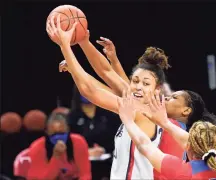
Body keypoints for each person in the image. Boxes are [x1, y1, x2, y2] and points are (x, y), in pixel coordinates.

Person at [47, 16, 184, 179]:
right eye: (135, 81)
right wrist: (84, 41)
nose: (138, 86)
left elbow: (90, 91)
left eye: (146, 84)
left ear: (157, 90)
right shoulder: (136, 102)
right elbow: (107, 72)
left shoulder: (143, 112)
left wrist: (65, 47)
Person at [116, 89, 216, 180]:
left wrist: (128, 121)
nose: (166, 98)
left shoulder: (184, 172)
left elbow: (144, 145)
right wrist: (165, 122)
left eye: (173, 97)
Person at [68, 85, 121, 180]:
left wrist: (104, 149)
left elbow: (118, 137)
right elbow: (69, 143)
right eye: (83, 91)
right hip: (82, 162)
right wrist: (86, 152)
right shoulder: (72, 117)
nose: (86, 94)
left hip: (109, 160)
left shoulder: (109, 114)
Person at [27, 112, 91, 180]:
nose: (58, 137)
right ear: (46, 132)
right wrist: (56, 156)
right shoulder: (37, 147)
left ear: (68, 129)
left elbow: (85, 174)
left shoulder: (79, 142)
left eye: (62, 133)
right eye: (54, 134)